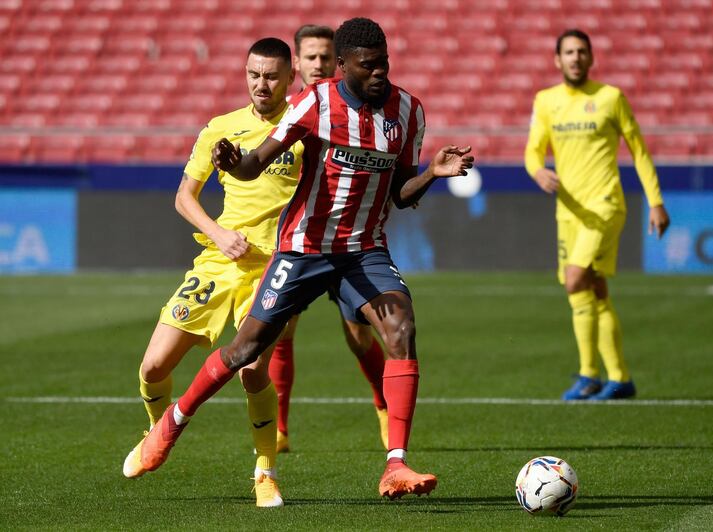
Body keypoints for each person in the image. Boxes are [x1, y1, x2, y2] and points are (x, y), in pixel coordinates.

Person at [124, 17, 474, 503]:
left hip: (363, 249)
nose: (380, 74)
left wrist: (435, 172)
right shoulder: (316, 102)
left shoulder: (409, 111)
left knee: (401, 329)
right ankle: (172, 422)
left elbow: (401, 192)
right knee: (245, 354)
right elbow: (254, 163)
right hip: (303, 247)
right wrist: (231, 161)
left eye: (385, 64)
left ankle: (395, 463)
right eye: (368, 66)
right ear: (345, 66)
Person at [120, 37, 302, 508]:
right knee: (153, 366)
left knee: (253, 369)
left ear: (290, 78)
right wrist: (219, 234)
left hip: (277, 265)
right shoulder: (221, 128)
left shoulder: (303, 128)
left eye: (271, 76)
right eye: (254, 74)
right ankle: (160, 431)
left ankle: (265, 472)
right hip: (220, 259)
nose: (261, 84)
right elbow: (184, 196)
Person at [525, 29, 670, 401]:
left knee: (575, 280)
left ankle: (589, 374)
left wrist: (655, 201)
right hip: (569, 211)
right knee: (594, 290)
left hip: (605, 205)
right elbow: (533, 150)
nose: (575, 58)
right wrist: (538, 171)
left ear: (591, 58)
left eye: (581, 52)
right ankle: (620, 378)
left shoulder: (610, 98)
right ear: (557, 60)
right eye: (568, 52)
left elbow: (638, 150)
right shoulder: (546, 101)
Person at [268, 24, 389, 455]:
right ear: (296, 63)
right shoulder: (287, 114)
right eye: (311, 57)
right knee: (281, 330)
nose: (318, 64)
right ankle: (280, 428)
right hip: (298, 243)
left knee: (359, 336)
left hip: (347, 243)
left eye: (325, 57)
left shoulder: (350, 111)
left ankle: (382, 406)